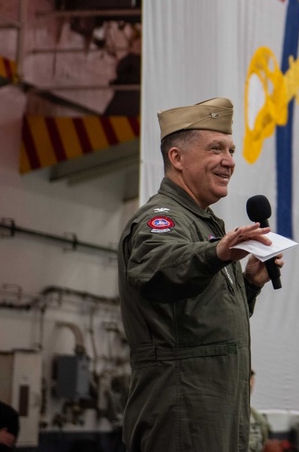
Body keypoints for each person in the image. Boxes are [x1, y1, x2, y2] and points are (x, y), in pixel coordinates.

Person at [117, 97, 284, 452]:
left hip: (208, 414)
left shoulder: (201, 222)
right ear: (177, 158)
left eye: (231, 150)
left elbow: (201, 318)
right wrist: (217, 252)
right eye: (216, 149)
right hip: (182, 414)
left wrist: (249, 284)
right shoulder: (161, 219)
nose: (230, 161)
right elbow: (156, 270)